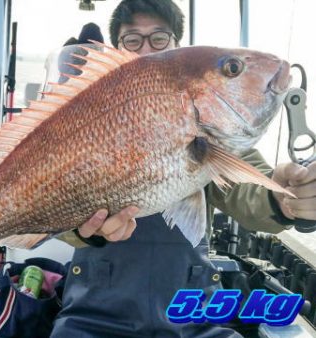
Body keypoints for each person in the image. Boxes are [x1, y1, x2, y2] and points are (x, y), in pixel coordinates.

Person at [51, 1, 316, 337]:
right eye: (132, 40)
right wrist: (81, 231)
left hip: (193, 315)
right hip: (93, 314)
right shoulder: (88, 119)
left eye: (159, 39)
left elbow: (250, 192)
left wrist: (283, 201)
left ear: (177, 44)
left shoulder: (209, 126)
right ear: (118, 49)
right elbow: (48, 203)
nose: (145, 49)